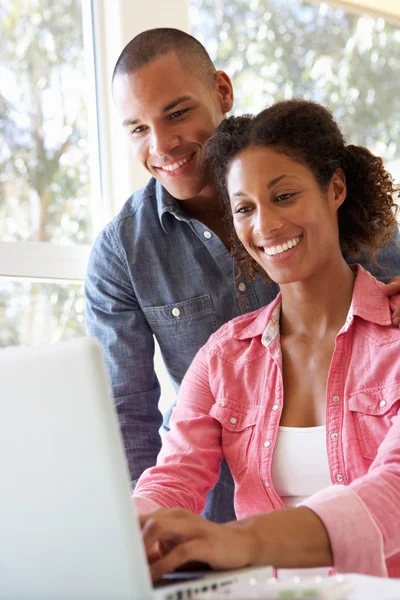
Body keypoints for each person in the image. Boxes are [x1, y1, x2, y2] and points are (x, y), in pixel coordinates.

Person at [85, 28, 400, 524]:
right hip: (221, 535)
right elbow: (130, 419)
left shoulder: (314, 177)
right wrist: (140, 541)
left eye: (178, 113)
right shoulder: (129, 260)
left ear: (222, 92)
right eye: (137, 128)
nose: (163, 144)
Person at [133, 100, 400, 580]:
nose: (265, 226)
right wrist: (126, 530)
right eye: (244, 208)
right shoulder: (224, 356)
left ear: (334, 188)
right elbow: (175, 478)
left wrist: (238, 540)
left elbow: (393, 491)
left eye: (283, 196)